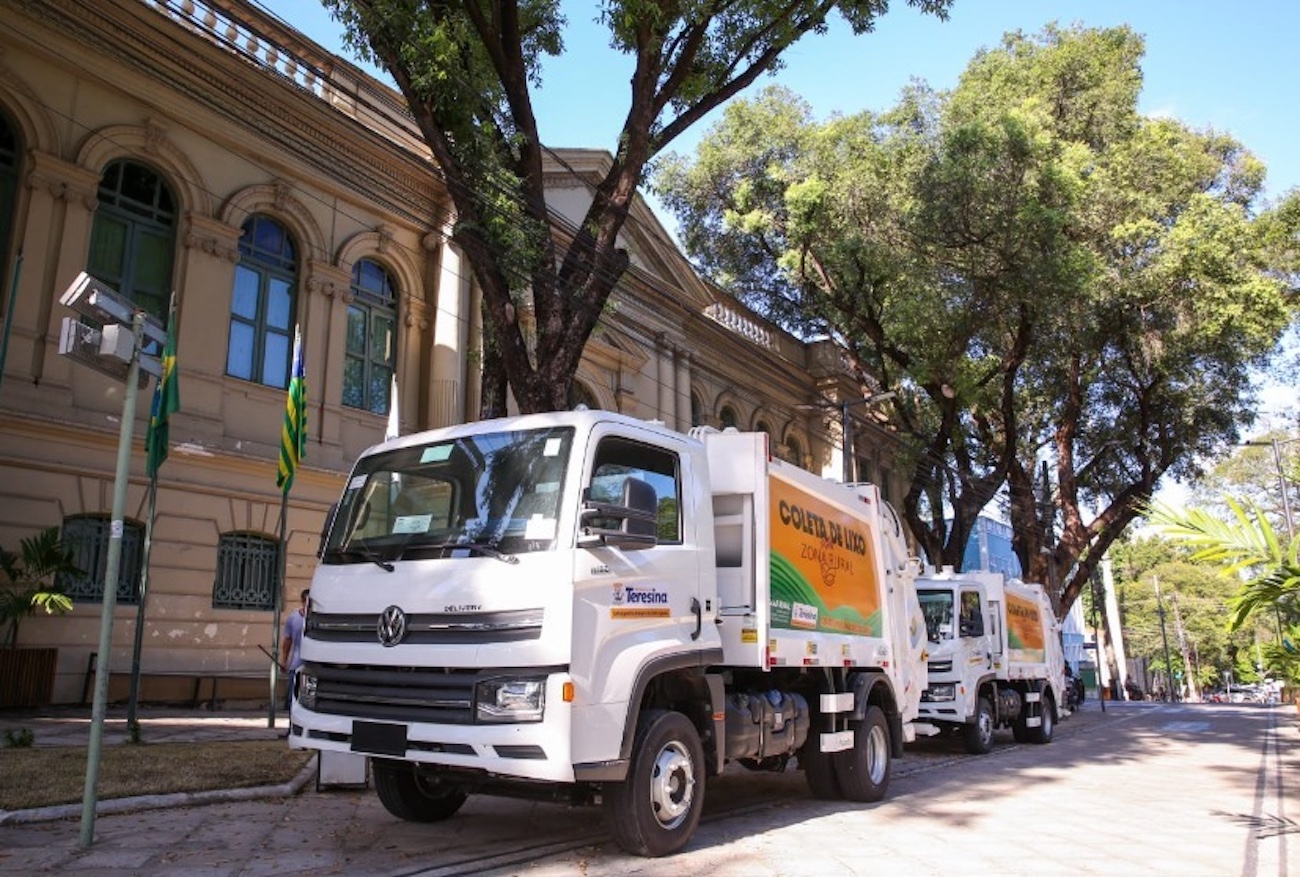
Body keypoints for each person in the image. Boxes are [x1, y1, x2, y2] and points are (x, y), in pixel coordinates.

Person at [280, 589, 310, 714]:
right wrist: (284, 661)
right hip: (296, 663)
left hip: (312, 665)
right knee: (292, 698)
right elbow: (288, 641)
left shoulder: (317, 618)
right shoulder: (293, 618)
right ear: (303, 601)